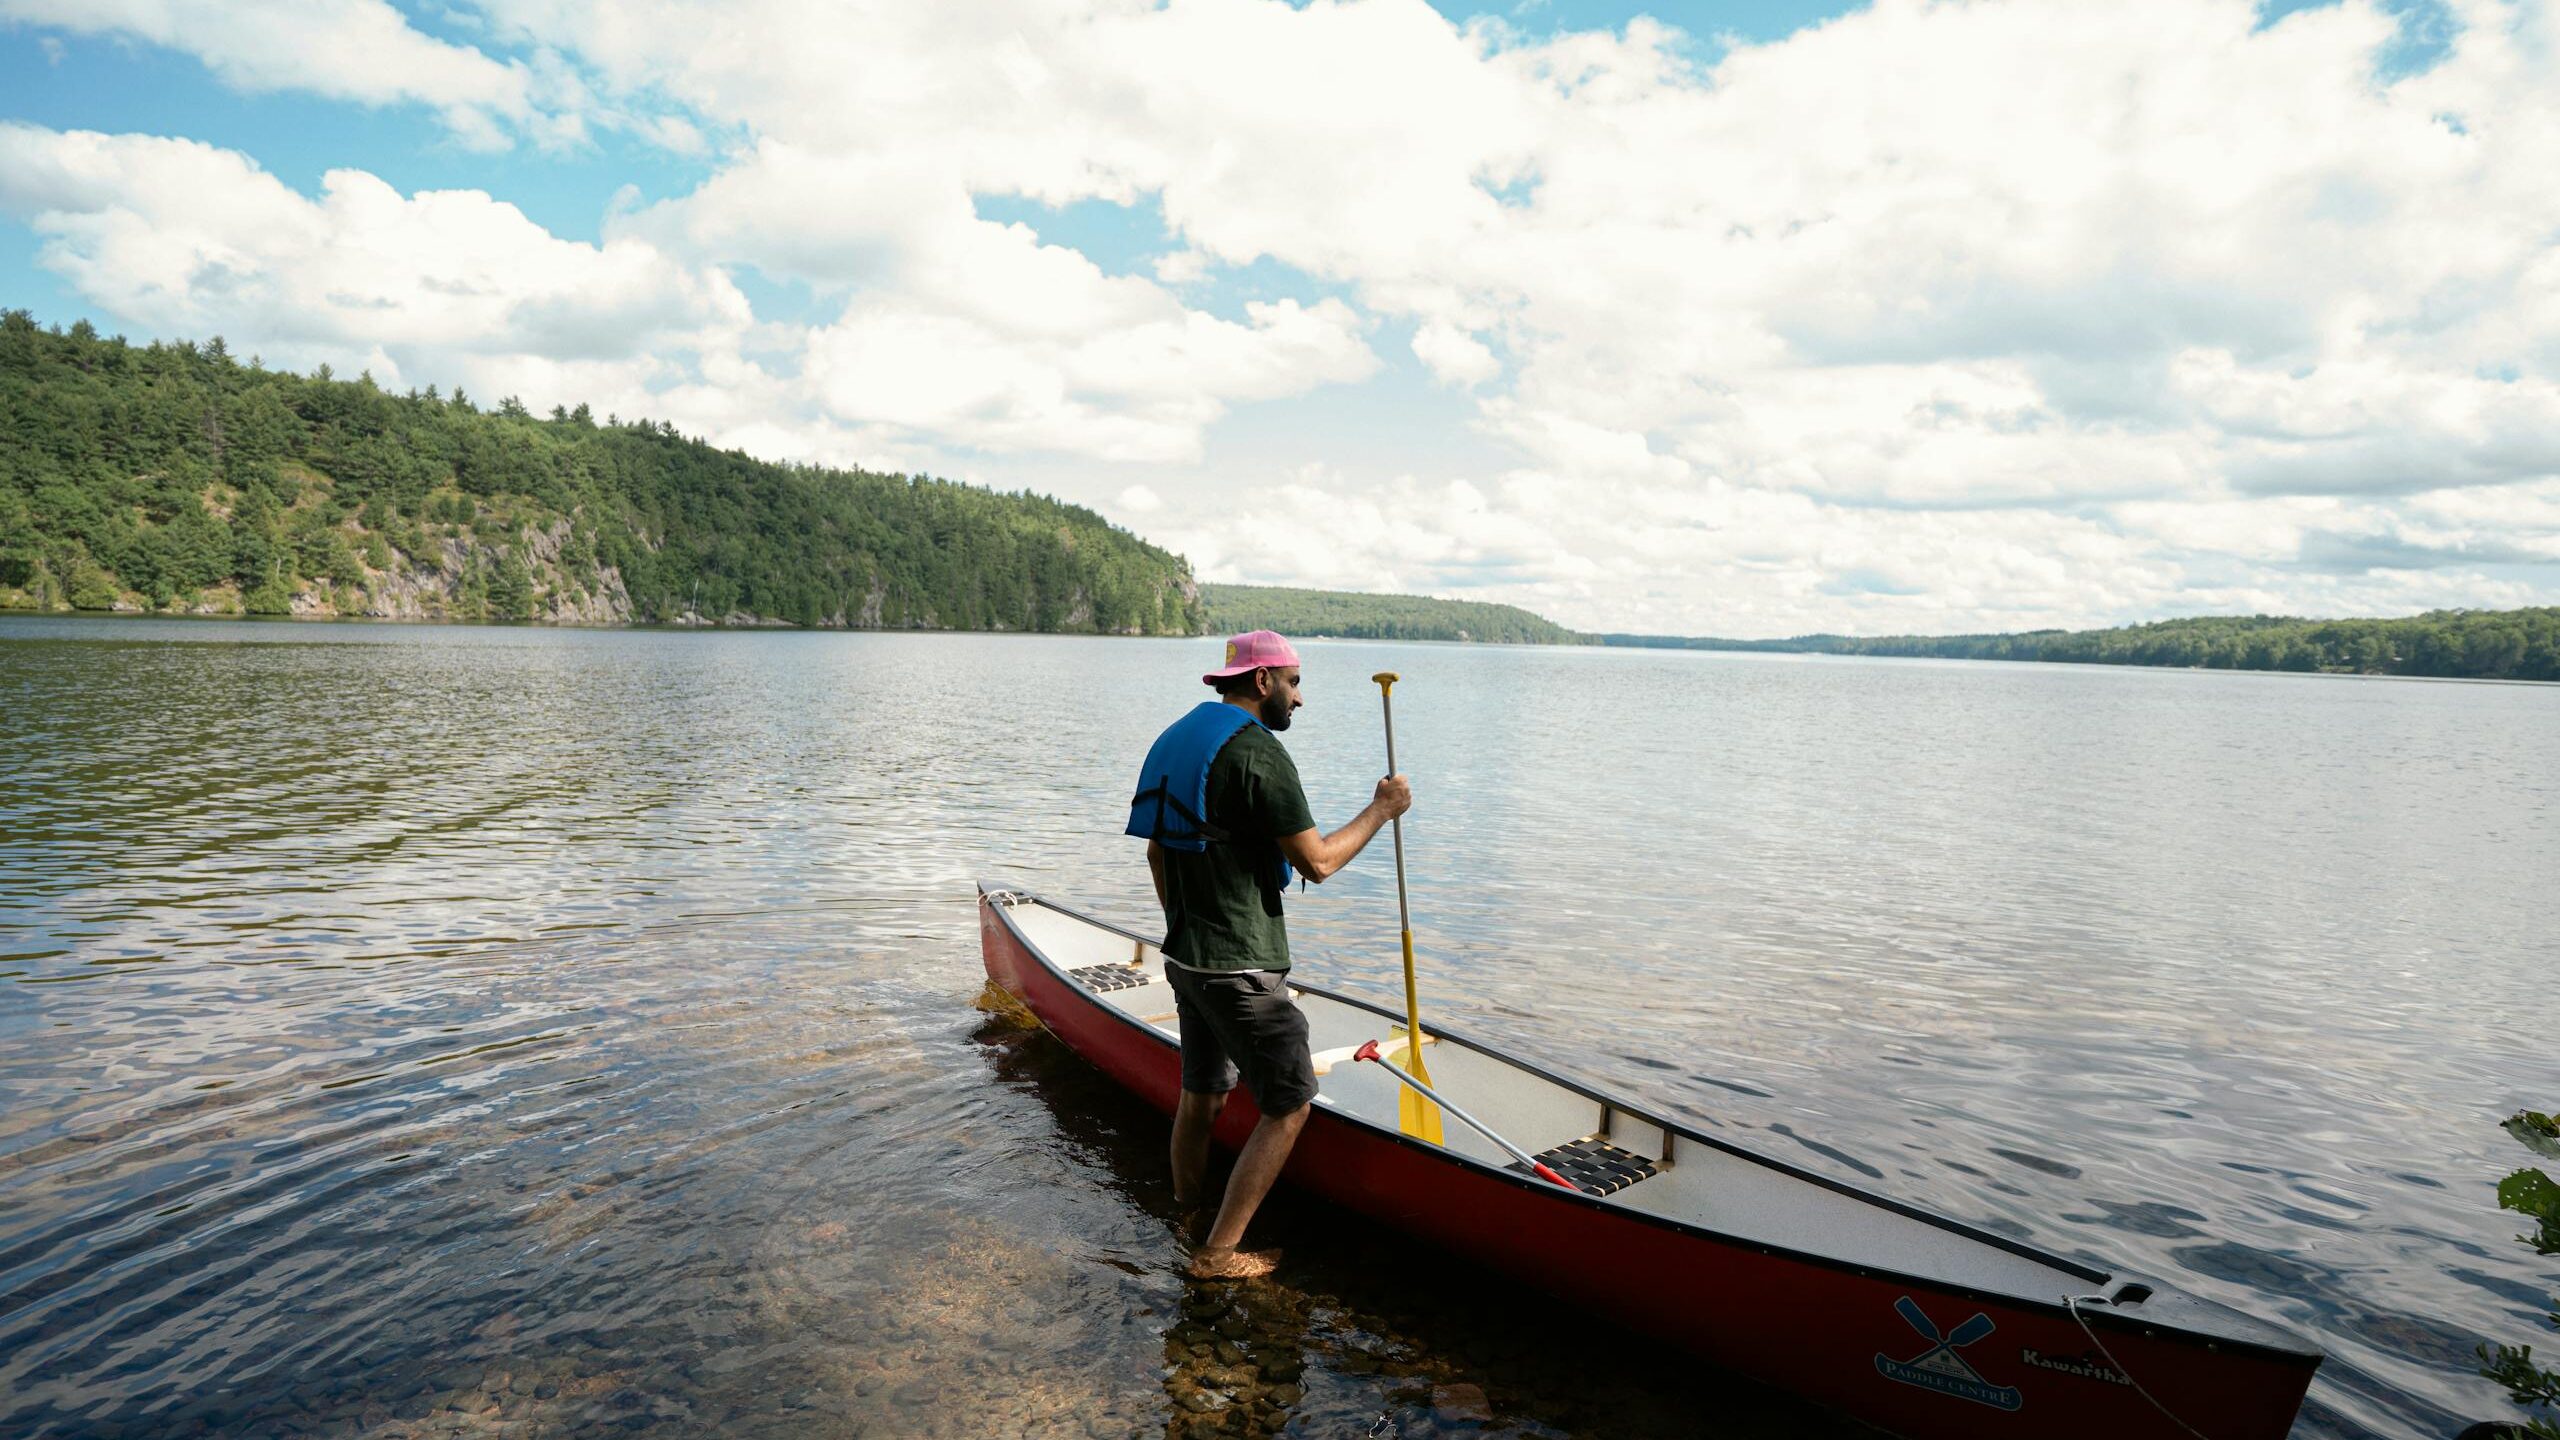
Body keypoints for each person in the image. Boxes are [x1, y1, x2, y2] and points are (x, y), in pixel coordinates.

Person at [1126, 629, 1413, 1280]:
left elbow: (1155, 852)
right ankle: (1219, 1253)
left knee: (1202, 1096)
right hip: (1241, 966)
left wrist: (1184, 930)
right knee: (1289, 1104)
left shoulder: (1173, 738)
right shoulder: (1258, 754)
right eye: (1294, 681)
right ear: (1262, 682)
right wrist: (1382, 808)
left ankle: (1189, 1212)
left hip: (1187, 956)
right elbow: (1317, 860)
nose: (1300, 698)